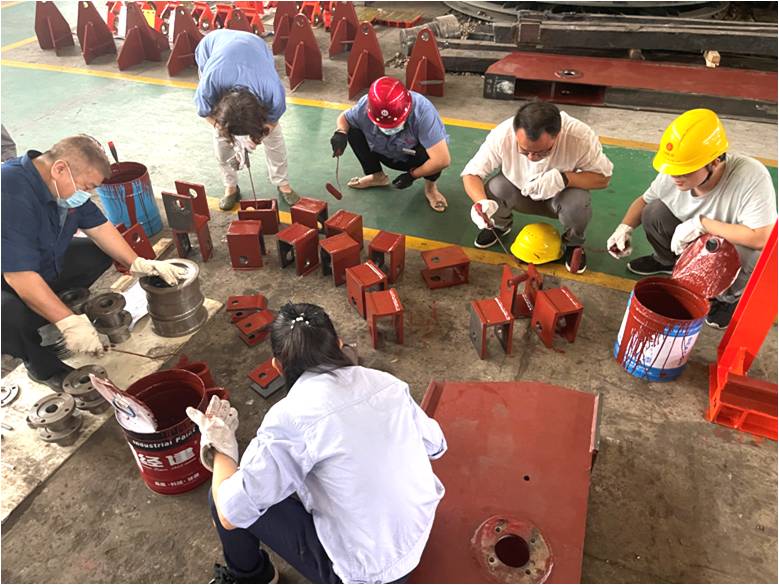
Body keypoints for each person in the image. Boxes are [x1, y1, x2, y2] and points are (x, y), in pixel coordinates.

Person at [187, 302, 447, 584]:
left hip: (368, 575)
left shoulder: (290, 418)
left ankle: (253, 577)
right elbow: (436, 446)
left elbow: (230, 512)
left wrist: (222, 448)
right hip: (418, 533)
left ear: (277, 366)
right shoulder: (386, 383)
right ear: (339, 345)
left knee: (220, 493)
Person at [1, 135, 187, 390]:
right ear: (60, 169)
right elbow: (18, 275)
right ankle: (43, 367)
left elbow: (99, 227)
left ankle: (47, 306)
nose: (86, 194)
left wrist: (138, 263)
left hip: (37, 260)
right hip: (8, 275)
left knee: (94, 254)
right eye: (86, 187)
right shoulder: (9, 192)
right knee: (10, 316)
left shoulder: (59, 185)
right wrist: (68, 322)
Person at [607, 108, 777, 329]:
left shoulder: (750, 176)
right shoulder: (674, 172)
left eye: (685, 171)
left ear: (715, 162)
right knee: (654, 212)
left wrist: (701, 224)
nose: (675, 177)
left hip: (730, 243)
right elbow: (644, 201)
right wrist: (624, 228)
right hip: (696, 239)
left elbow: (762, 237)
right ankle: (666, 261)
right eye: (673, 170)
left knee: (747, 250)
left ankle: (726, 298)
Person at [462, 100, 614, 274]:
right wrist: (481, 203)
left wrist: (564, 179)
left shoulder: (579, 137)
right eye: (524, 150)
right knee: (496, 187)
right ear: (515, 133)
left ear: (558, 135)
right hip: (518, 193)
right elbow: (472, 173)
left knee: (577, 203)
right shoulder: (502, 135)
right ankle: (499, 225)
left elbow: (603, 178)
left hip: (560, 198)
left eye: (542, 152)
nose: (532, 157)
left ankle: (573, 243)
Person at [194, 29, 299, 210]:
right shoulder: (210, 84)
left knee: (274, 140)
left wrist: (258, 137)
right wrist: (224, 132)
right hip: (212, 46)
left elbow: (272, 121)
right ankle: (230, 187)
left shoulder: (271, 91)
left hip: (255, 46)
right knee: (221, 144)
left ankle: (283, 184)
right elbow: (204, 112)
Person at [331, 76, 451, 212]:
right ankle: (377, 176)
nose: (389, 129)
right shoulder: (365, 105)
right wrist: (340, 132)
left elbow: (442, 160)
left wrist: (412, 175)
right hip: (382, 151)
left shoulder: (423, 112)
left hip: (411, 157)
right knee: (352, 131)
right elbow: (345, 118)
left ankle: (431, 188)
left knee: (431, 152)